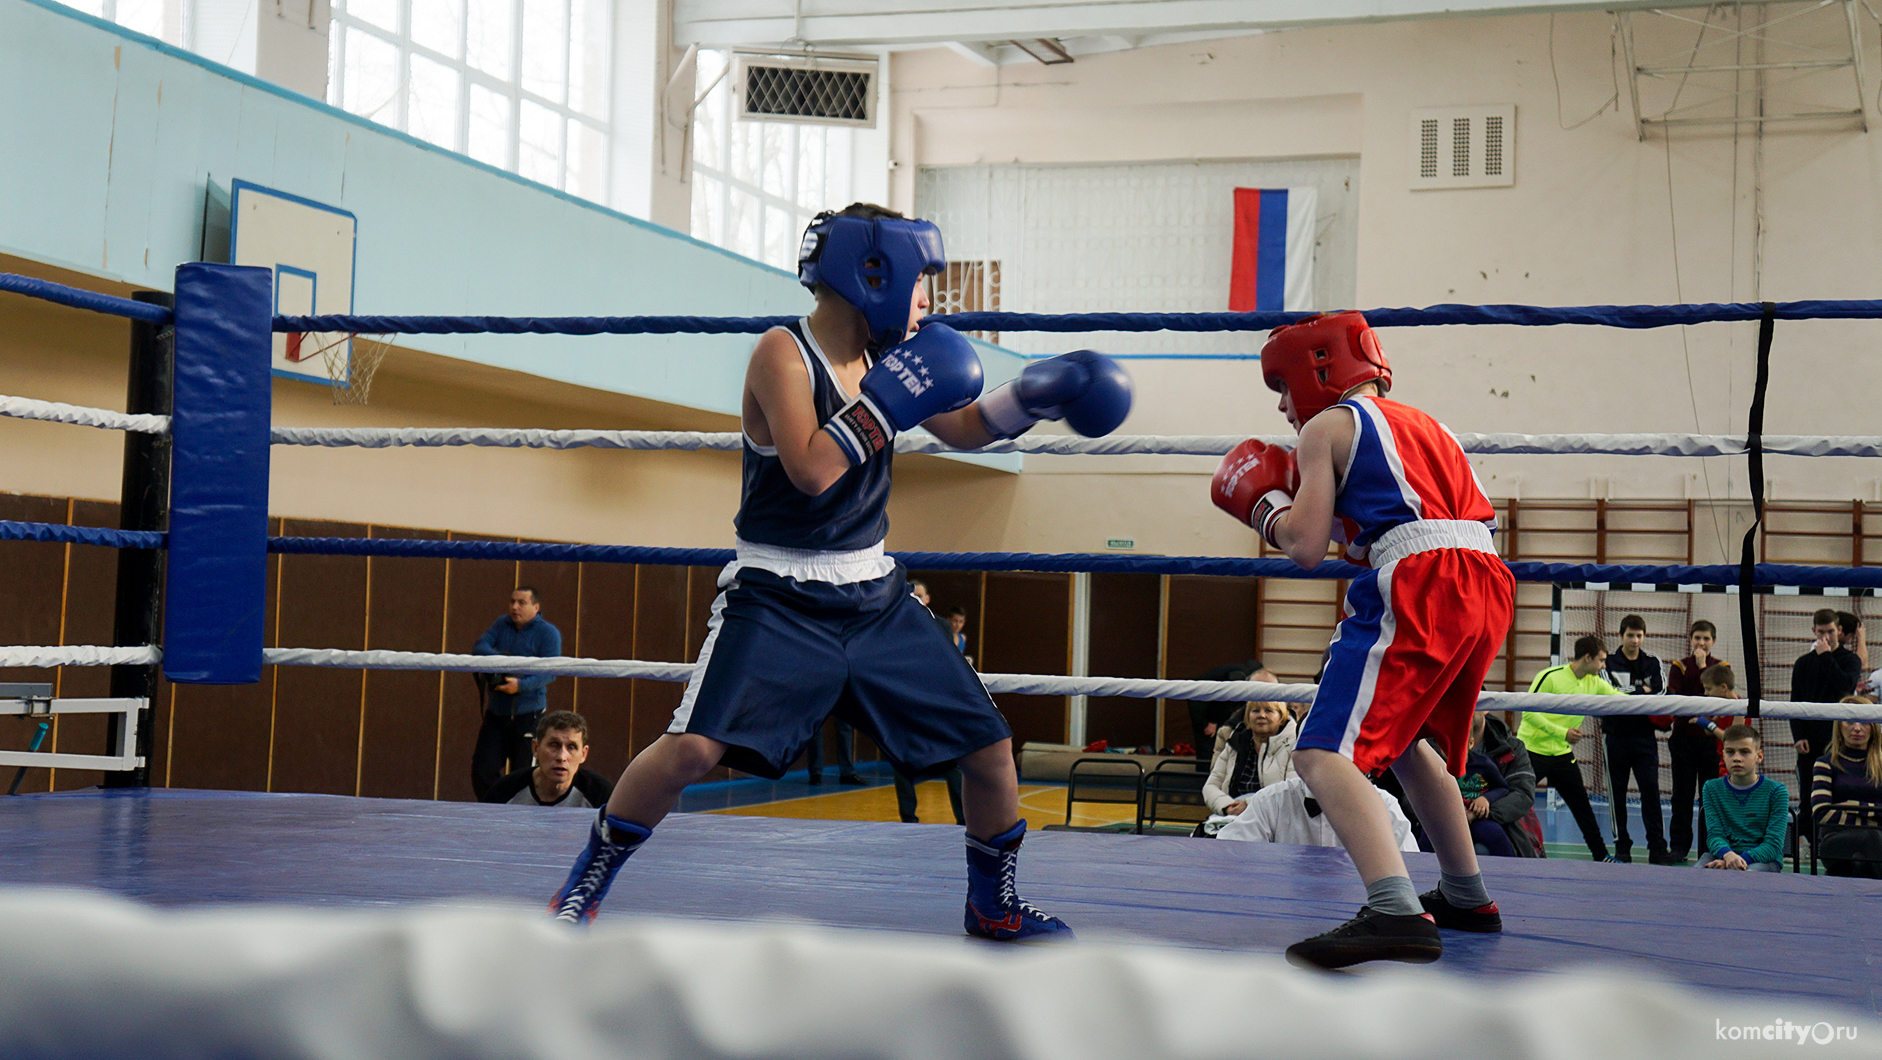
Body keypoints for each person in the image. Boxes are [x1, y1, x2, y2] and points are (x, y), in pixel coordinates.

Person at [547, 203, 1133, 940]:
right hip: (777, 593)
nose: (928, 299)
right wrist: (889, 400)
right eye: (922, 279)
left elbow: (970, 428)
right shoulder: (781, 354)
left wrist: (1039, 396)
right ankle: (586, 881)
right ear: (873, 272)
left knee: (988, 748)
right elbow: (813, 469)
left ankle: (993, 904)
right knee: (692, 748)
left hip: (873, 591)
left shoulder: (894, 356)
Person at [1211, 311, 1514, 969]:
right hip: (1485, 579)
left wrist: (1259, 504)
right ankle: (1465, 892)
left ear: (1315, 371)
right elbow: (1393, 529)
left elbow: (1306, 546)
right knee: (1406, 743)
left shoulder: (1326, 428)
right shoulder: (1429, 426)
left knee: (1321, 754)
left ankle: (1394, 911)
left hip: (1419, 582)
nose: (1287, 407)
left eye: (1284, 389)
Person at [1517, 637, 1619, 863]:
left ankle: (1601, 855)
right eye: (1601, 661)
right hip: (1532, 751)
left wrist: (1658, 705)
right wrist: (1561, 733)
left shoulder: (1594, 683)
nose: (1604, 666)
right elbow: (1529, 713)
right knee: (1514, 802)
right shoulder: (1550, 677)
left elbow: (1622, 701)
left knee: (1582, 806)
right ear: (1587, 658)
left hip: (1561, 755)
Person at [470, 587, 563, 801]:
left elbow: (551, 671)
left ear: (536, 607)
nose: (514, 607)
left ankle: (519, 816)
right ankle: (494, 810)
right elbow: (480, 647)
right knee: (482, 769)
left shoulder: (548, 633)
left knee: (524, 774)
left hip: (528, 715)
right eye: (512, 601)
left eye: (522, 602)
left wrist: (520, 685)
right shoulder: (501, 624)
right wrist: (504, 662)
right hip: (496, 713)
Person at [1601, 614, 1670, 865]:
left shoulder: (1652, 662)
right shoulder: (1607, 662)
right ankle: (1622, 846)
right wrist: (1643, 691)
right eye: (1630, 635)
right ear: (1621, 635)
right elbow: (1610, 693)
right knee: (1616, 794)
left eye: (1639, 635)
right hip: (1615, 737)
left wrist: (1631, 693)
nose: (1635, 640)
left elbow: (1661, 691)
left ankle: (1657, 847)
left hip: (1644, 738)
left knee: (1651, 791)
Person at [1791, 608, 1864, 845]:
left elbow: (1846, 687)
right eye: (1821, 632)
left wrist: (1825, 656)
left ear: (1839, 630)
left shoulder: (1850, 660)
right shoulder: (1803, 663)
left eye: (1831, 632)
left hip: (1839, 739)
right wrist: (1798, 735)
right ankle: (1810, 844)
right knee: (1807, 796)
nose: (1826, 637)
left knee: (1839, 791)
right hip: (1810, 739)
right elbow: (1795, 701)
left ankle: (1837, 841)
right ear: (1813, 631)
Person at [895, 579, 965, 823]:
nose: (916, 599)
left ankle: (964, 820)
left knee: (954, 765)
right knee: (901, 763)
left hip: (939, 706)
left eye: (920, 595)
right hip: (910, 706)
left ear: (927, 599)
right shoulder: (894, 627)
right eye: (911, 595)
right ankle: (908, 820)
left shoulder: (942, 626)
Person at [1662, 620, 1730, 862]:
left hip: (1710, 741)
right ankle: (1679, 847)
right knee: (1682, 795)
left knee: (1709, 796)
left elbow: (1716, 696)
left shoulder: (1722, 666)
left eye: (1706, 639)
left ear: (1713, 641)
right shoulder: (1678, 666)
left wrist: (1703, 667)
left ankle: (1708, 847)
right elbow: (1678, 700)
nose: (1701, 643)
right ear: (1690, 639)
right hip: (1683, 740)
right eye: (1697, 638)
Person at [1214, 775, 1418, 851]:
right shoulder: (1272, 800)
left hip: (1363, 912)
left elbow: (1411, 870)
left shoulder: (1383, 805)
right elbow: (1229, 855)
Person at [1696, 721, 1787, 873]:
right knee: (1696, 874)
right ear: (1723, 755)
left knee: (1746, 877)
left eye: (1744, 752)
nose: (1737, 758)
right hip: (1722, 855)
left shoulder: (1777, 791)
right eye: (1730, 752)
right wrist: (1728, 855)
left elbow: (1773, 844)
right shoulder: (1711, 788)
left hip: (1762, 860)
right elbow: (1714, 835)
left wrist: (1736, 861)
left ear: (1759, 756)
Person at [1809, 699, 1882, 879]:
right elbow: (1821, 813)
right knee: (1872, 836)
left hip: (1876, 844)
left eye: (1864, 722)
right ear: (1839, 726)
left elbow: (1832, 812)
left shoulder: (1880, 766)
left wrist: (1850, 805)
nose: (1857, 728)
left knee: (1859, 863)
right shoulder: (1824, 763)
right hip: (1834, 841)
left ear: (1873, 726)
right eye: (1850, 721)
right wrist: (1874, 817)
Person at [482, 711, 614, 808]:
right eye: (554, 745)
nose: (562, 757)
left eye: (572, 747)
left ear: (583, 754)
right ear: (535, 748)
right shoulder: (503, 793)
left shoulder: (601, 796)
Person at [1201, 695, 1298, 816]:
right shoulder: (1234, 743)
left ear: (1281, 718)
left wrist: (1248, 805)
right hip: (1231, 815)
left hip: (1273, 817)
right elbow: (1211, 786)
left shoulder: (1295, 746)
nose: (1261, 715)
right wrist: (1226, 806)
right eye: (1255, 711)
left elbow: (1291, 791)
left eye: (1269, 711)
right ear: (1247, 717)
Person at [1186, 659, 1263, 765]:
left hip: (1207, 700)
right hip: (1201, 700)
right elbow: (1222, 696)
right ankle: (1203, 775)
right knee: (1207, 738)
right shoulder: (1239, 675)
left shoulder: (1240, 672)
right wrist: (1212, 721)